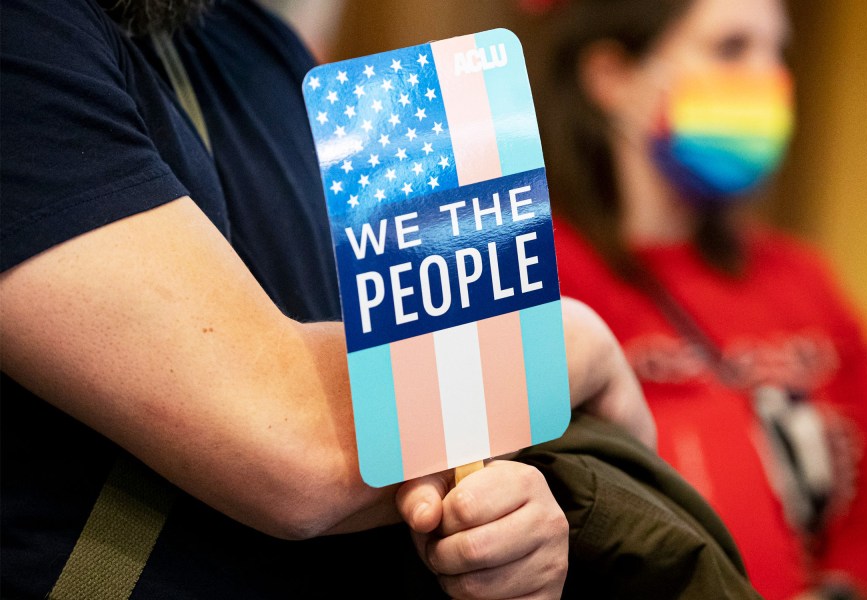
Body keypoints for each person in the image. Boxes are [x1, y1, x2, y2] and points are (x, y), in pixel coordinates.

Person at [0, 0, 664, 598]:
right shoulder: (27, 33)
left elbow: (401, 445)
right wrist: (572, 343)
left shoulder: (256, 43)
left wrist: (504, 525)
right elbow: (292, 439)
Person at [525, 0, 867, 598]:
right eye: (731, 48)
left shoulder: (804, 281)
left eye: (779, 52)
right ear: (612, 78)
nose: (768, 77)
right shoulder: (540, 276)